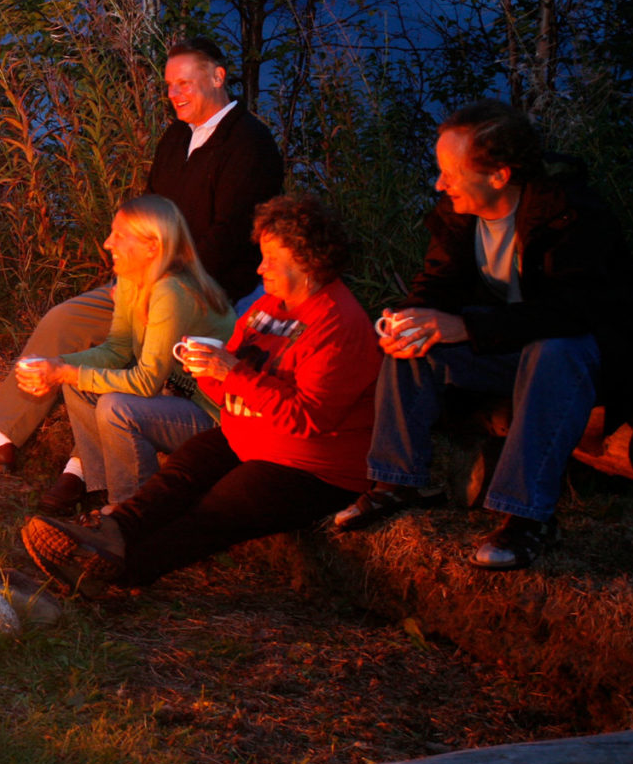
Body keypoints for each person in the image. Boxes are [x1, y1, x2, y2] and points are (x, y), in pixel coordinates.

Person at [0, 37, 284, 473]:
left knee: (127, 357)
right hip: (148, 282)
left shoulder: (251, 143)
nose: (175, 95)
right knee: (64, 319)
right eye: (169, 86)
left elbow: (230, 236)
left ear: (217, 76)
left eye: (184, 84)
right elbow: (148, 214)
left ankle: (83, 473)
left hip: (210, 294)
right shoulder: (176, 138)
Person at [332, 100, 633, 569]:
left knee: (553, 349)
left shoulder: (570, 214)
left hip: (592, 359)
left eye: (450, 171)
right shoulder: (458, 213)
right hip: (513, 347)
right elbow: (437, 283)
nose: (439, 183)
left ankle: (527, 517)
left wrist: (465, 326)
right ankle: (398, 482)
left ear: (500, 175)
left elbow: (573, 312)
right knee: (416, 345)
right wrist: (409, 317)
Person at [19, 195, 379, 596]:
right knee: (186, 467)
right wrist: (207, 370)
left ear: (308, 260)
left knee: (222, 504)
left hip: (312, 466)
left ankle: (119, 573)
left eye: (271, 260)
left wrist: (231, 371)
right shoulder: (269, 306)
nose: (261, 268)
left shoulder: (338, 323)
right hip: (253, 437)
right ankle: (110, 533)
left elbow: (308, 417)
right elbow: (230, 383)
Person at [15, 194, 235, 513]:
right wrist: (59, 366)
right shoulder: (133, 277)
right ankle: (103, 486)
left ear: (152, 246)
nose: (107, 243)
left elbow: (145, 383)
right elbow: (117, 349)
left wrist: (66, 371)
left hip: (213, 416)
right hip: (173, 397)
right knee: (78, 385)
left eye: (120, 235)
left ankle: (131, 509)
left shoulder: (172, 291)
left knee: (115, 407)